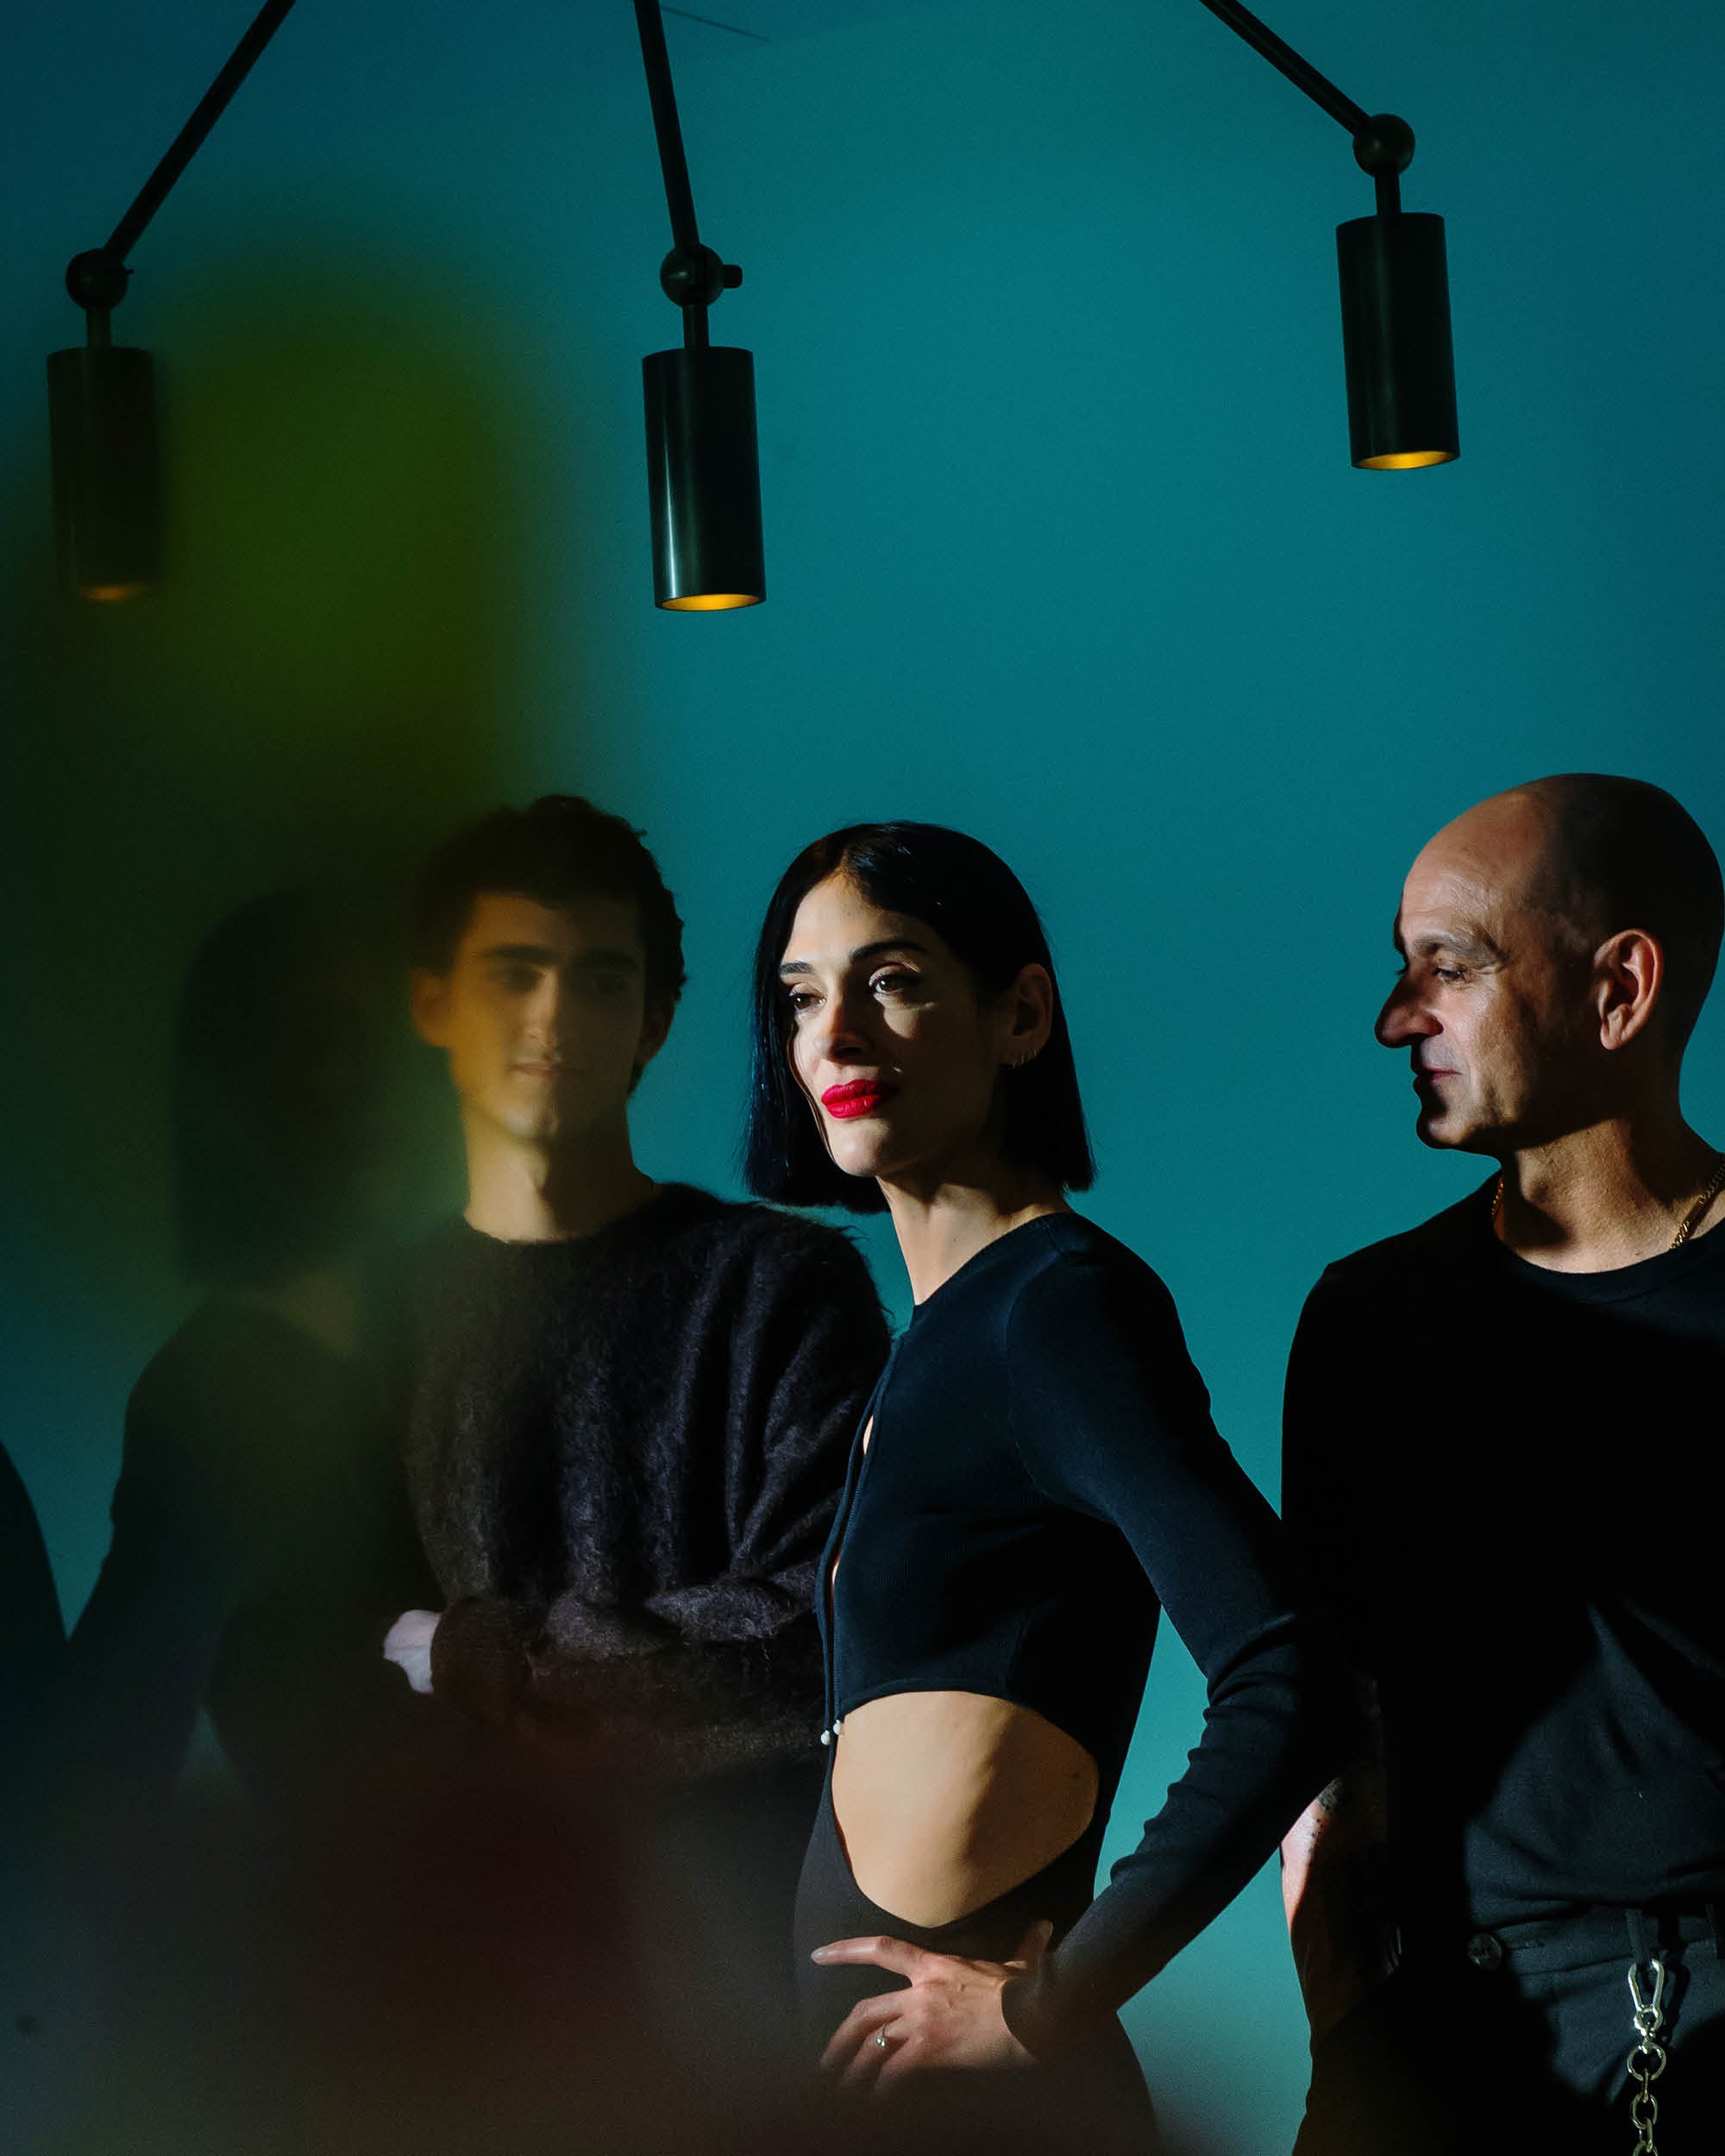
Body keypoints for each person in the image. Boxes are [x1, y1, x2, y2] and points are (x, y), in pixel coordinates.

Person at [744, 821, 1347, 2150]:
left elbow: (1289, 1672)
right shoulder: (932, 1344)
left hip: (1005, 2115)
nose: (835, 1034)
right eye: (800, 997)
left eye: (892, 980)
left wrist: (1045, 2006)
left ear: (1021, 1013)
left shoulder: (1056, 1312)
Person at [380, 794, 888, 2070]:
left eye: (600, 980)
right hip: (439, 1996)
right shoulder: (370, 1326)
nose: (554, 1016)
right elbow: (318, 1675)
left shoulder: (779, 1289)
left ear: (655, 1020)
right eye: (514, 973)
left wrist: (478, 1655)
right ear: (432, 1002)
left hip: (724, 1992)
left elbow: (812, 1637)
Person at [1280, 774, 1725, 2155]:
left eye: (1451, 967)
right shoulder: (1367, 1322)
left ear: (1619, 989)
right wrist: (1346, 2048)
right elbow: (1336, 1733)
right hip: (1438, 2054)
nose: (1395, 1019)